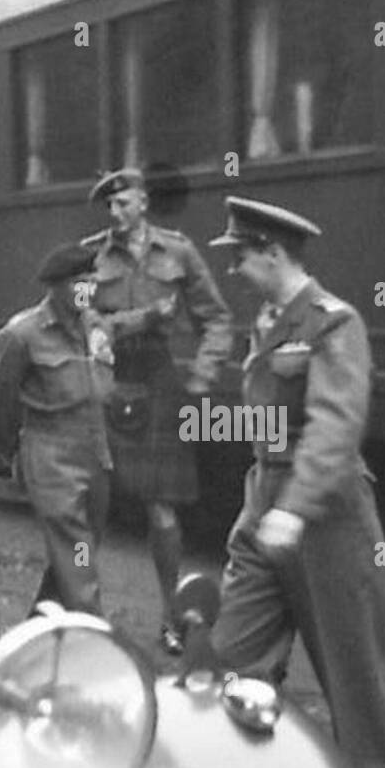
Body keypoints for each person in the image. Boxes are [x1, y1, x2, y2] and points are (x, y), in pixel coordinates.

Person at [206, 195, 385, 768]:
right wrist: (262, 510)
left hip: (328, 518)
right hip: (265, 510)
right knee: (228, 664)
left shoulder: (333, 323)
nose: (233, 269)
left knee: (354, 688)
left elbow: (335, 424)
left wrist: (294, 507)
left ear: (273, 251)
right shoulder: (266, 325)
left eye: (240, 255)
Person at [83, 167, 233, 652]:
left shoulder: (179, 252)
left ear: (143, 202)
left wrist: (203, 378)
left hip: (159, 381)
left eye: (123, 203)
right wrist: (145, 317)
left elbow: (218, 319)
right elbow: (92, 327)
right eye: (109, 205)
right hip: (109, 381)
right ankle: (81, 619)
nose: (115, 213)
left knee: (163, 513)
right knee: (89, 508)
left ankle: (173, 618)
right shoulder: (92, 257)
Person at [0, 240, 155, 616]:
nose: (89, 291)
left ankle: (37, 627)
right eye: (80, 284)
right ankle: (92, 631)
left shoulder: (93, 325)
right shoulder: (22, 335)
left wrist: (156, 314)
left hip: (95, 454)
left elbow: (119, 330)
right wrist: (10, 454)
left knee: (79, 549)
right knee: (76, 552)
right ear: (57, 287)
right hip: (51, 456)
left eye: (92, 282)